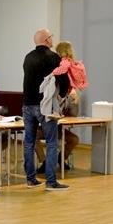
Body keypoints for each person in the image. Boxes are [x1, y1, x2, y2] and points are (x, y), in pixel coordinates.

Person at [22, 29, 70, 191]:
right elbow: (64, 80)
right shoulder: (53, 57)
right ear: (47, 40)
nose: (52, 40)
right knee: (51, 143)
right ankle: (51, 181)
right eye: (51, 37)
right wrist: (62, 95)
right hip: (45, 106)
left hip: (27, 105)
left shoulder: (28, 57)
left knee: (28, 142)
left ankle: (30, 179)